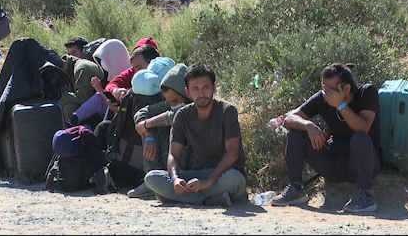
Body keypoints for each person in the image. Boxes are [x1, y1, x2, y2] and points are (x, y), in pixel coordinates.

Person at [272, 63, 381, 213]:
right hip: (333, 162)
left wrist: (341, 105)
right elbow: (288, 120)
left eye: (329, 89)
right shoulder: (323, 97)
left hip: (361, 164)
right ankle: (296, 188)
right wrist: (307, 125)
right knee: (297, 131)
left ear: (346, 88)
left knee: (360, 137)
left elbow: (363, 127)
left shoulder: (366, 92)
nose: (325, 93)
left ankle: (365, 196)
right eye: (324, 88)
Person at [144, 63, 247, 207]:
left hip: (224, 174)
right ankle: (209, 200)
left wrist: (208, 182)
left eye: (205, 88)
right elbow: (173, 154)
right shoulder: (182, 115)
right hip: (196, 175)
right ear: (187, 91)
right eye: (195, 89)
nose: (201, 94)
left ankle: (185, 198)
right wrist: (175, 179)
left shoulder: (227, 111)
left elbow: (232, 152)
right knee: (152, 178)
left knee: (235, 180)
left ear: (214, 88)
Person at [128, 63, 193, 198]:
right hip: (169, 159)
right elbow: (142, 112)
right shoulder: (169, 103)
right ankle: (153, 178)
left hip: (191, 164)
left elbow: (175, 116)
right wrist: (148, 134)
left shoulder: (196, 105)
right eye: (169, 102)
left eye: (175, 100)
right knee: (151, 130)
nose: (172, 105)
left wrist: (146, 125)